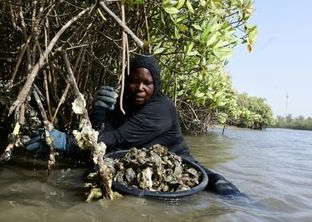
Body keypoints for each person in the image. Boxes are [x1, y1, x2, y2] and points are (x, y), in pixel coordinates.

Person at [25, 54, 241, 196]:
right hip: (133, 164)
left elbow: (117, 138)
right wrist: (98, 114)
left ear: (155, 85)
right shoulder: (123, 104)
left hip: (179, 165)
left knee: (221, 189)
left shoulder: (161, 109)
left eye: (147, 83)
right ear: (127, 81)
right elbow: (102, 137)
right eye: (134, 81)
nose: (139, 88)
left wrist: (66, 142)